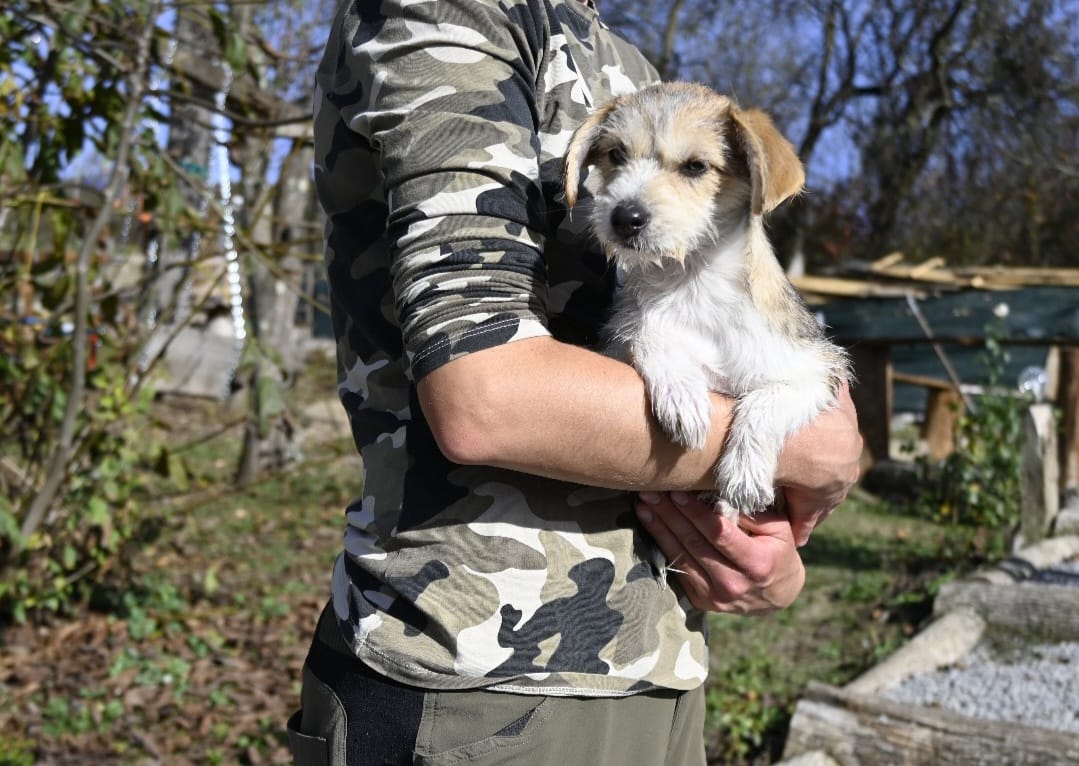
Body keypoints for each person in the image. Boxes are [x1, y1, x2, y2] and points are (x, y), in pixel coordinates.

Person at [290, 0, 862, 764]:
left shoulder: (621, 60)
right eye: (612, 160)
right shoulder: (449, 13)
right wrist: (806, 448)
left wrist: (766, 554)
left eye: (688, 168)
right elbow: (482, 398)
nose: (630, 190)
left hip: (663, 655)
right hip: (477, 670)